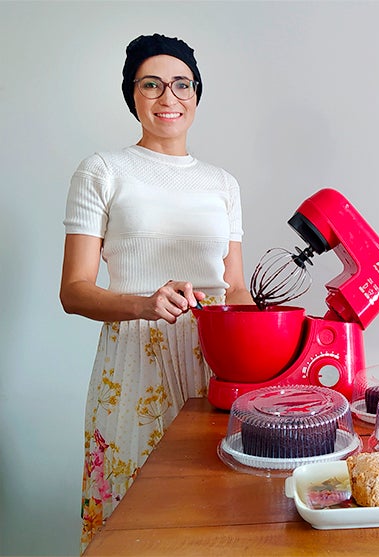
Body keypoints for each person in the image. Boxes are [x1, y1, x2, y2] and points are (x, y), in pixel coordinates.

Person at [60, 34, 253, 551]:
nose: (169, 97)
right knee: (134, 516)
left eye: (181, 84)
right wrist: (145, 303)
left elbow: (232, 286)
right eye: (152, 84)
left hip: (214, 361)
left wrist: (274, 329)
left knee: (216, 507)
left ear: (196, 94)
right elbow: (75, 291)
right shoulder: (102, 170)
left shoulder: (223, 183)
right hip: (134, 363)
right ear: (133, 95)